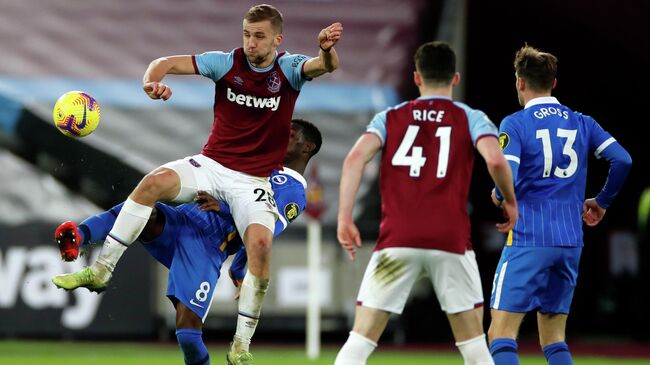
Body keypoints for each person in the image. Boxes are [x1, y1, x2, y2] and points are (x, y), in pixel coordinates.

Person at [52, 4, 341, 364]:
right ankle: (100, 269)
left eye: (260, 36)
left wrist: (326, 50)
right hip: (211, 165)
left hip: (250, 183)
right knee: (153, 183)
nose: (251, 43)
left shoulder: (289, 69)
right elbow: (166, 62)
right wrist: (152, 82)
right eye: (247, 34)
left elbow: (324, 66)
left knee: (261, 245)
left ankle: (240, 345)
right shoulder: (225, 62)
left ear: (277, 39)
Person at [53, 119, 322, 365]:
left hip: (206, 246)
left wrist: (233, 246)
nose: (279, 136)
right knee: (142, 206)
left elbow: (262, 235)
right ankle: (79, 236)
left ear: (306, 147)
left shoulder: (293, 191)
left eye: (290, 134)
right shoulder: (255, 161)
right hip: (180, 220)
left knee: (188, 335)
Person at [334, 41, 518, 365]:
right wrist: (510, 202)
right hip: (451, 242)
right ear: (455, 78)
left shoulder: (389, 117)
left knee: (360, 341)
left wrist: (345, 218)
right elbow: (497, 161)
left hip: (397, 241)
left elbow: (353, 159)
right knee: (474, 347)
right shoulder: (471, 117)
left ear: (416, 78)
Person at [487, 45, 632, 365]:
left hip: (529, 237)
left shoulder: (515, 123)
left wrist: (500, 195)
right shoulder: (582, 122)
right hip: (570, 241)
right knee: (553, 338)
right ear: (554, 83)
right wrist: (603, 201)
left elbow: (506, 174)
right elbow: (622, 160)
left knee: (500, 333)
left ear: (520, 83)